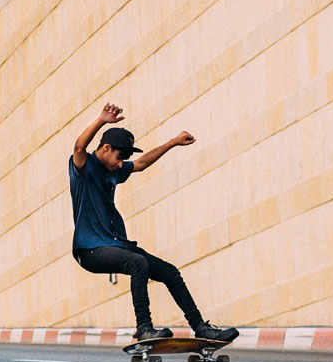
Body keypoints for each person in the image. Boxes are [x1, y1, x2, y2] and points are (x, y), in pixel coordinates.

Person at [69, 102, 239, 342]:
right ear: (106, 148)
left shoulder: (113, 170)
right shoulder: (84, 166)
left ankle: (201, 327)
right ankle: (144, 328)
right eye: (119, 157)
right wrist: (101, 120)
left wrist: (172, 142)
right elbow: (79, 146)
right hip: (90, 249)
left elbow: (141, 163)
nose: (121, 164)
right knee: (138, 263)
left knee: (169, 272)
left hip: (115, 244)